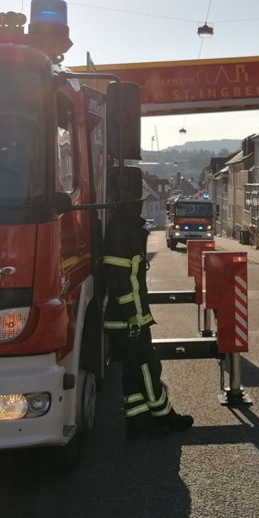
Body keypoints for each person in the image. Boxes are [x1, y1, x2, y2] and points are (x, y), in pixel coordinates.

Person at [102, 171, 193, 441]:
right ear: (129, 203)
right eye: (138, 201)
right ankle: (164, 415)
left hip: (128, 317)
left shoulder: (125, 229)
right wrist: (132, 317)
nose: (142, 205)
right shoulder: (122, 233)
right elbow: (119, 280)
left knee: (132, 371)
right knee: (146, 366)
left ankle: (138, 422)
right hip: (128, 318)